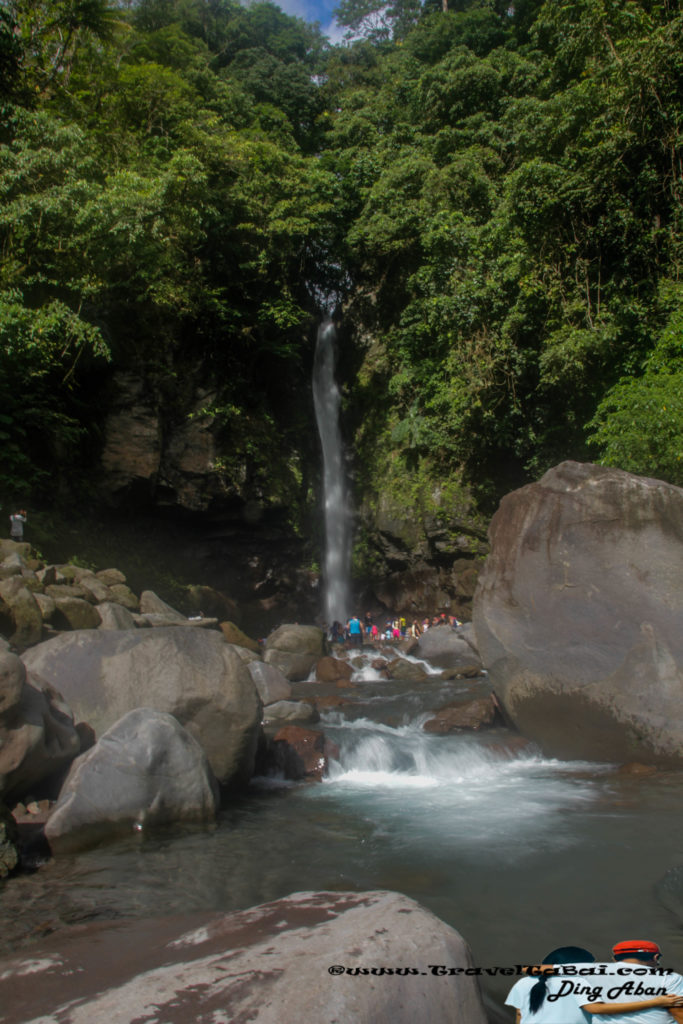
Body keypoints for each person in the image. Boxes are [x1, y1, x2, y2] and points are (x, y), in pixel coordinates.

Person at [506, 946, 683, 1023]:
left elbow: (521, 1016)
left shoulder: (524, 983)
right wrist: (656, 1002)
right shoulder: (582, 980)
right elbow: (596, 1009)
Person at [578, 941, 683, 1023]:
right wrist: (655, 1002)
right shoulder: (669, 978)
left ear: (615, 959)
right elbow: (678, 1012)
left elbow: (593, 1008)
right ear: (655, 957)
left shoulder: (589, 975)